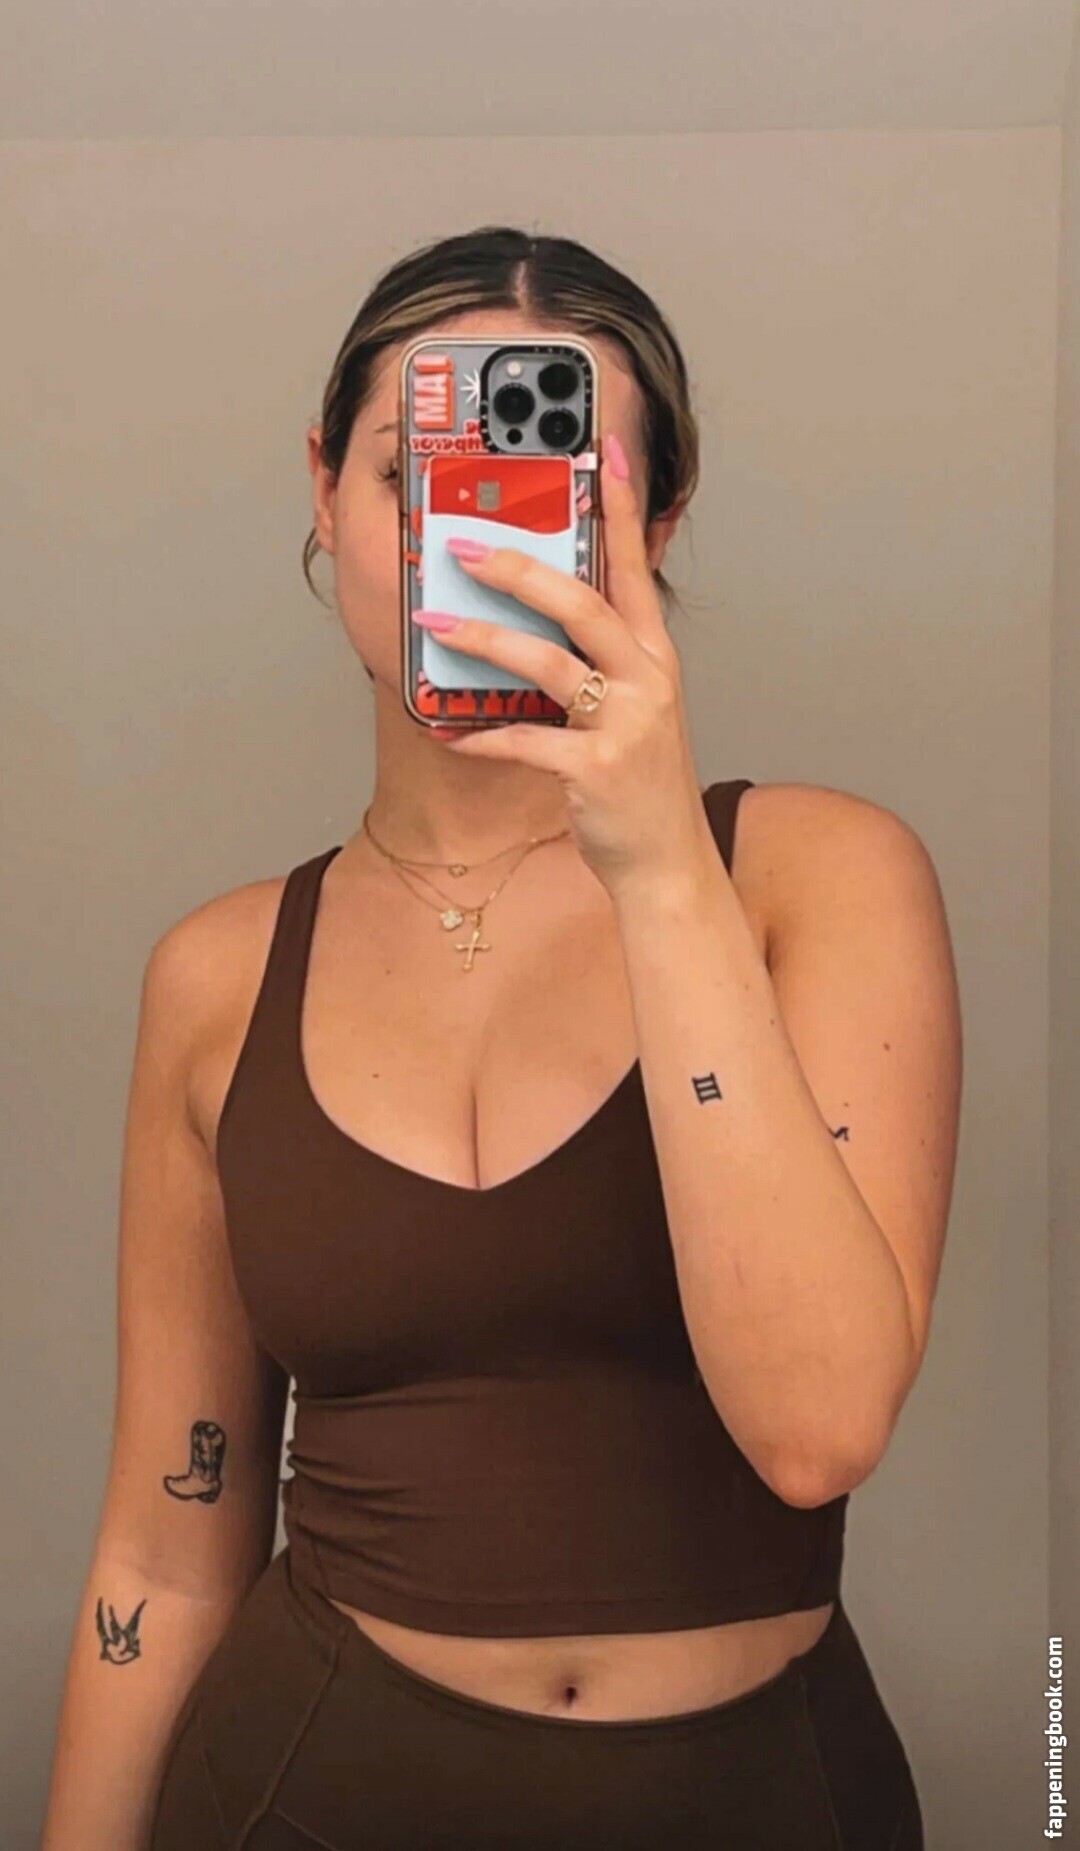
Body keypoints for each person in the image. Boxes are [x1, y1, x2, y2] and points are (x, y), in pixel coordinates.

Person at [42, 226, 961, 1851]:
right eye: (417, 478)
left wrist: (658, 864)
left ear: (655, 523)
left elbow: (818, 1428)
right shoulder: (217, 977)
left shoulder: (816, 878)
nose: (463, 540)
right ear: (324, 492)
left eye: (546, 487)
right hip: (298, 1789)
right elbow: (165, 1555)